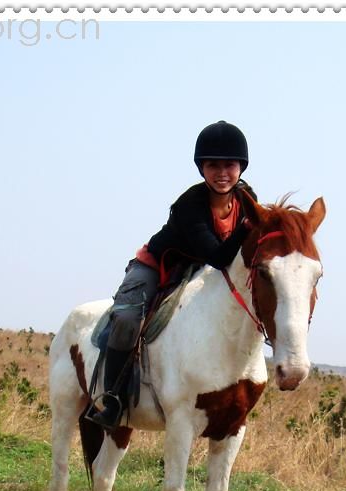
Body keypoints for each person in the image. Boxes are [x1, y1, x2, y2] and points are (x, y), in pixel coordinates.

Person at [85, 121, 258, 431]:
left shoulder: (247, 199)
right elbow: (219, 255)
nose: (222, 172)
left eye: (229, 165)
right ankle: (111, 399)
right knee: (125, 319)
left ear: (241, 167)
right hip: (157, 265)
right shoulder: (189, 204)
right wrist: (247, 228)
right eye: (212, 165)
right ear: (201, 168)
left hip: (204, 272)